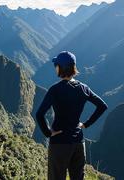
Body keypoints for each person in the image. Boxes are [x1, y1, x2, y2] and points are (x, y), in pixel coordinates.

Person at [36, 51, 108, 180]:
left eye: (56, 65)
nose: (55, 68)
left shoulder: (55, 90)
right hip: (78, 142)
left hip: (59, 143)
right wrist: (86, 124)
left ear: (60, 67)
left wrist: (48, 132)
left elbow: (40, 114)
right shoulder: (83, 88)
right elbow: (102, 106)